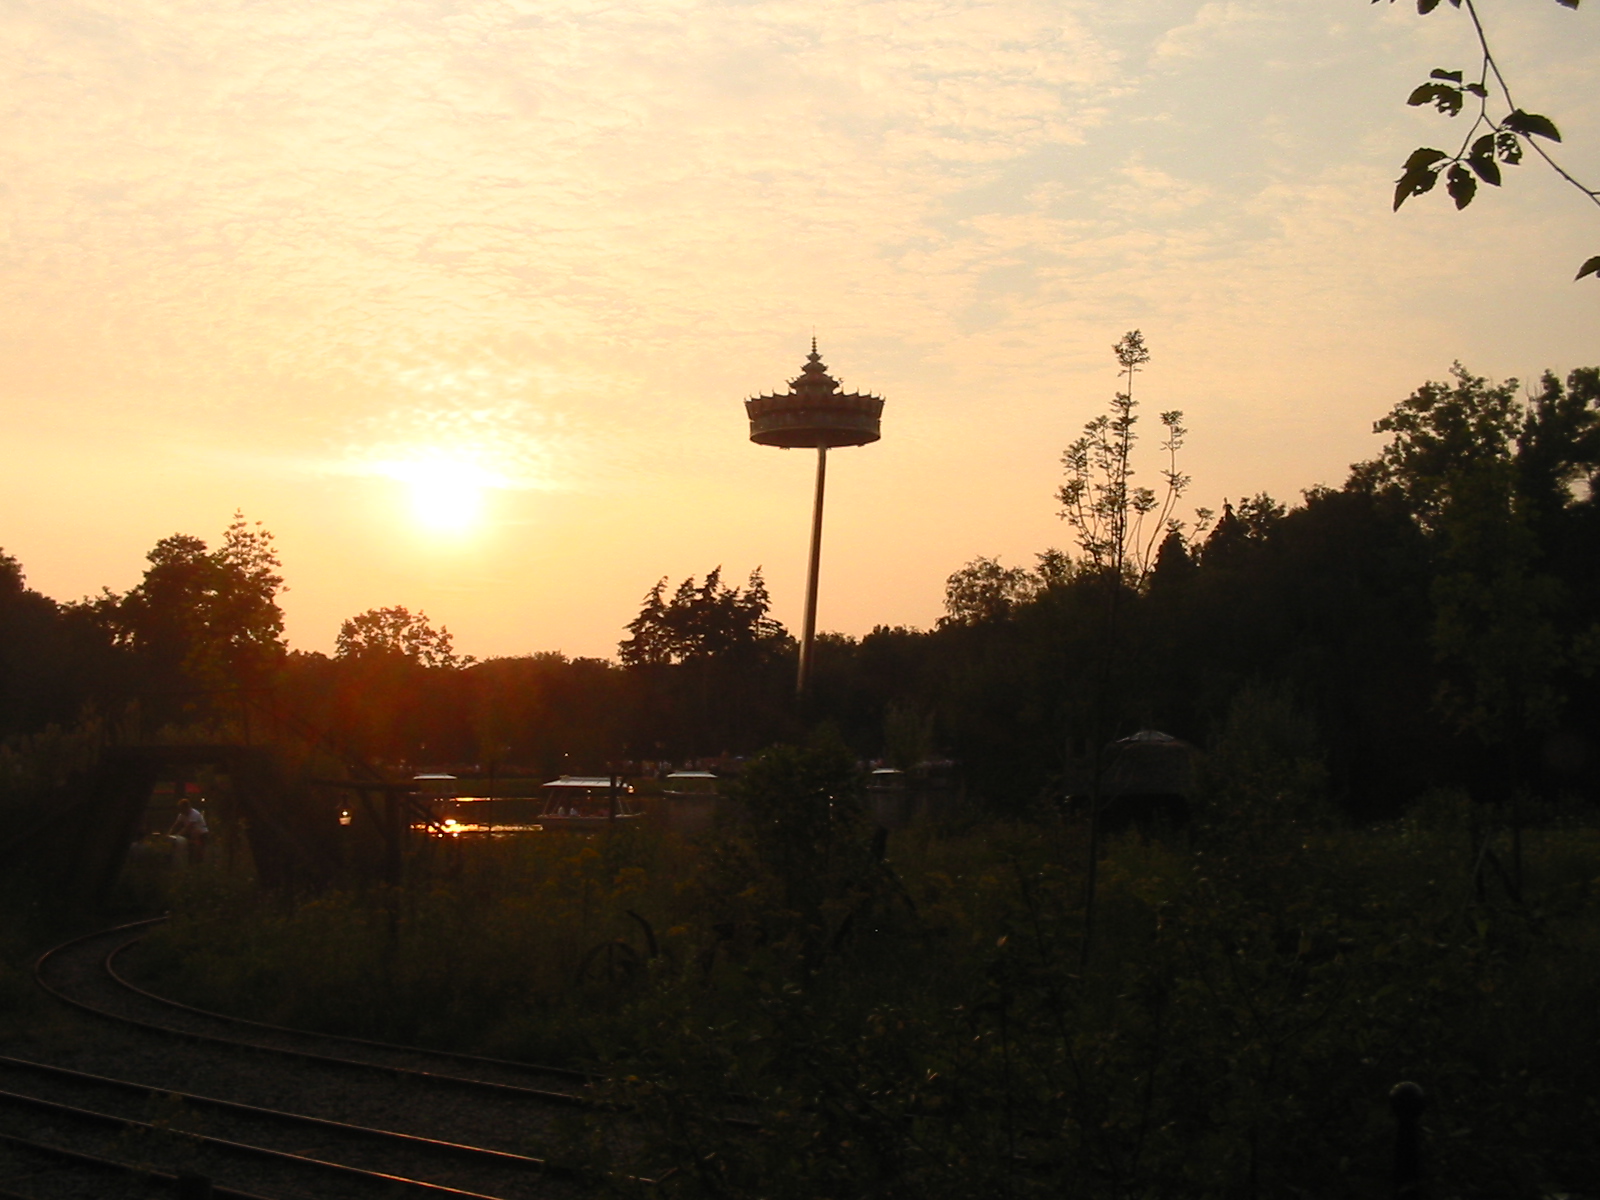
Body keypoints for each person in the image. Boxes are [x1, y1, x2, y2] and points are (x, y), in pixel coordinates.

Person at [168, 798, 209, 864]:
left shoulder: (194, 814)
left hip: (201, 833)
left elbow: (188, 827)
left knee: (199, 849)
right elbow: (176, 825)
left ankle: (200, 862)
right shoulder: (182, 815)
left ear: (186, 807)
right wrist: (169, 834)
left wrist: (177, 835)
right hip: (192, 834)